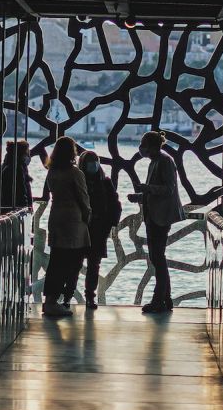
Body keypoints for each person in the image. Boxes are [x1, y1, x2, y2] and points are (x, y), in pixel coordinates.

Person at [132, 130, 183, 313]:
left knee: (158, 258)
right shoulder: (156, 161)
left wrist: (146, 188)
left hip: (160, 217)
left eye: (144, 145)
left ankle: (158, 300)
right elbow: (157, 190)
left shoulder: (165, 161)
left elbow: (168, 189)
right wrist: (140, 195)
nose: (142, 149)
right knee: (157, 258)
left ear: (152, 146)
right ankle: (165, 299)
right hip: (154, 216)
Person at [40, 136, 90, 316]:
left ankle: (50, 301)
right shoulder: (75, 173)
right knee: (71, 261)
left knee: (56, 260)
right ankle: (60, 300)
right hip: (73, 221)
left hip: (56, 217)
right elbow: (84, 199)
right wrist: (87, 217)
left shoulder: (51, 171)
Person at [78, 150, 122, 308]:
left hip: (98, 230)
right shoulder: (79, 181)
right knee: (76, 263)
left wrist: (110, 224)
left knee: (93, 265)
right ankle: (68, 293)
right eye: (91, 162)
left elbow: (115, 205)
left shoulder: (105, 182)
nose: (94, 165)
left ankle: (90, 295)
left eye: (96, 161)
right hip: (81, 228)